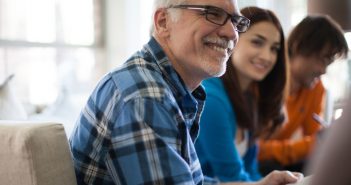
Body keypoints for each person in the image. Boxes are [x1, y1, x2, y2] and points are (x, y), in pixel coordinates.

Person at [69, 0, 302, 184]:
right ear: (163, 22)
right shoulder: (145, 96)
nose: (232, 34)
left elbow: (192, 181)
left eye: (235, 22)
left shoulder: (172, 89)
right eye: (213, 13)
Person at [195, 6, 289, 183]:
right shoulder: (211, 98)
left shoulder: (249, 98)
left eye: (274, 49)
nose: (267, 57)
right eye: (257, 42)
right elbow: (230, 176)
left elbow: (250, 171)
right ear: (233, 38)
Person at [258, 14, 349, 174]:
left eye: (328, 64)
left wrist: (324, 141)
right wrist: (317, 142)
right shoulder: (262, 80)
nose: (323, 71)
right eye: (322, 59)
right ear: (299, 47)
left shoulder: (315, 87)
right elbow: (254, 151)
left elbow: (313, 145)